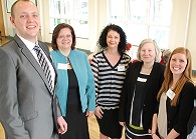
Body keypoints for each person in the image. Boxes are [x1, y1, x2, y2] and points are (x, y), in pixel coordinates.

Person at [0, 0, 67, 139]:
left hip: (52, 129)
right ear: (13, 21)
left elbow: (50, 88)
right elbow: (7, 109)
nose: (31, 20)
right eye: (23, 16)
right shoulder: (7, 54)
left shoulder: (43, 47)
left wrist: (58, 115)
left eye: (34, 15)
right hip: (29, 133)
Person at [50, 23, 96, 139]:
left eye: (68, 36)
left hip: (80, 110)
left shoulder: (81, 56)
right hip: (60, 111)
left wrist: (91, 105)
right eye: (61, 36)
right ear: (55, 39)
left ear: (73, 38)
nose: (65, 39)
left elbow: (90, 83)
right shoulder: (50, 57)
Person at [118, 38, 165, 139]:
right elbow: (125, 93)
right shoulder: (133, 67)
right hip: (130, 119)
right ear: (139, 52)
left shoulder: (162, 71)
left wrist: (154, 124)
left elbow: (161, 100)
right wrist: (122, 116)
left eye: (150, 50)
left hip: (148, 124)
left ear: (156, 52)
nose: (146, 53)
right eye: (143, 50)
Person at [91, 24, 131, 139]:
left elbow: (127, 85)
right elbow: (93, 84)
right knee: (103, 134)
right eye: (110, 37)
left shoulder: (126, 60)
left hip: (119, 108)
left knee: (117, 135)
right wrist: (95, 105)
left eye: (116, 37)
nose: (112, 40)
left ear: (120, 40)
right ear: (105, 38)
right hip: (102, 108)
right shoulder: (98, 58)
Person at [151, 47, 194, 139]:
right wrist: (154, 133)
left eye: (181, 61)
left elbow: (181, 124)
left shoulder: (188, 87)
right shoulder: (166, 82)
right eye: (174, 59)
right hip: (159, 134)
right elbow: (156, 109)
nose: (177, 63)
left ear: (187, 64)